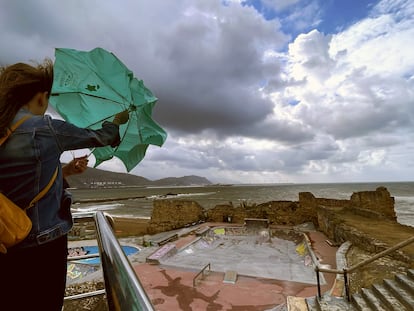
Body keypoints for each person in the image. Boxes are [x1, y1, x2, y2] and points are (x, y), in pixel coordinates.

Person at [0, 59, 129, 310]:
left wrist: (66, 170)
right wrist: (116, 120)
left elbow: (19, 181)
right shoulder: (42, 127)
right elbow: (103, 136)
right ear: (40, 96)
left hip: (6, 240)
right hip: (41, 243)